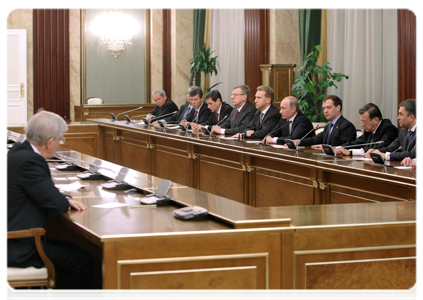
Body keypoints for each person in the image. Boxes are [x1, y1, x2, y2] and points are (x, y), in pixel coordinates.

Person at [5, 110, 93, 300]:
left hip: (14, 238)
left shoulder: (19, 151)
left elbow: (44, 194)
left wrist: (61, 198)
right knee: (81, 262)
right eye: (61, 139)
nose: (61, 144)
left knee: (76, 249)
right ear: (50, 141)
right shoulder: (30, 161)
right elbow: (57, 205)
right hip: (17, 245)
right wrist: (64, 200)